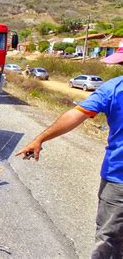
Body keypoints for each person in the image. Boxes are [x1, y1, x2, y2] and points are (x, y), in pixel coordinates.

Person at [15, 75, 123, 258]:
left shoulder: (114, 87)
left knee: (108, 242)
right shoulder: (113, 88)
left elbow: (76, 114)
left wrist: (40, 138)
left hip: (118, 181)